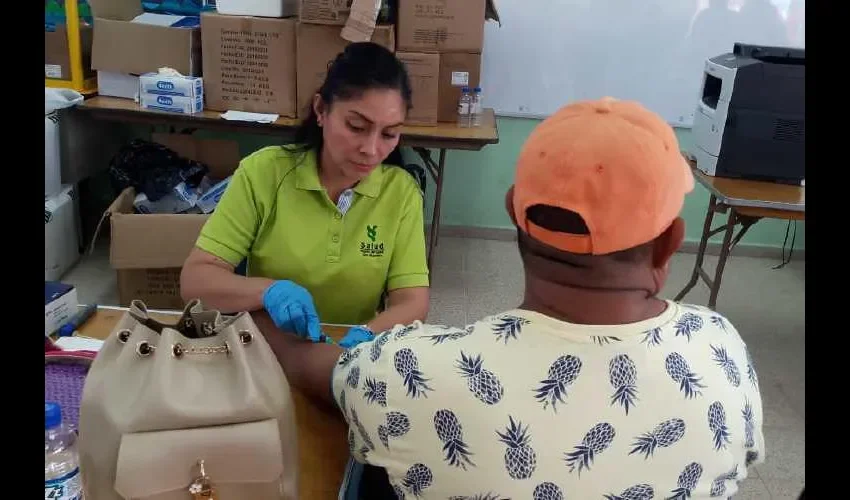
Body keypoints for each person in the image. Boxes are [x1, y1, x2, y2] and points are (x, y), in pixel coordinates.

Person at [260, 97, 765, 498]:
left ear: (512, 211)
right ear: (670, 242)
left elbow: (309, 369)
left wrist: (255, 309)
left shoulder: (410, 372)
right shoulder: (722, 353)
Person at [180, 42, 430, 345]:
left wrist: (367, 334)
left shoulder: (400, 193)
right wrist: (268, 291)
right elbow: (195, 281)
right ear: (321, 110)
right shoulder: (264, 173)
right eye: (356, 126)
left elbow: (412, 302)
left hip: (347, 349)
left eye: (389, 134)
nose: (371, 149)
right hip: (267, 344)